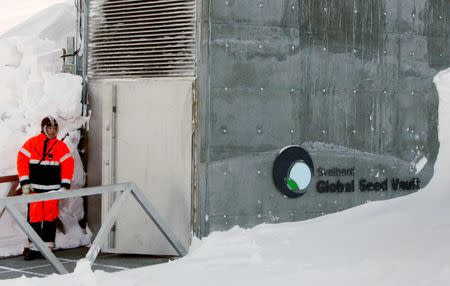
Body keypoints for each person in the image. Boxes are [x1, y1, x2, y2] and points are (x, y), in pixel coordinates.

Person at [16, 115, 74, 260]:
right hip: (34, 189)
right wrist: (24, 182)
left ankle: (47, 248)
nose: (53, 131)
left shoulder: (61, 147)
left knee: (49, 217)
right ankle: (34, 248)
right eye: (49, 127)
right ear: (43, 128)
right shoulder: (32, 143)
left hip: (53, 190)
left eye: (55, 128)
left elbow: (68, 164)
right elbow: (22, 160)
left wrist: (65, 185)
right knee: (34, 218)